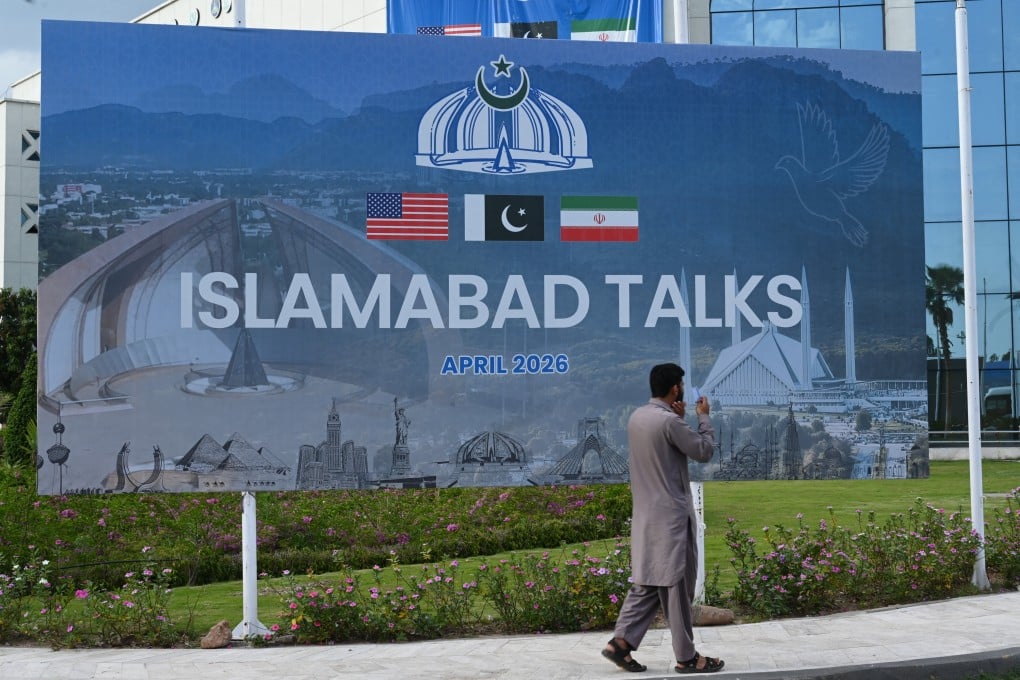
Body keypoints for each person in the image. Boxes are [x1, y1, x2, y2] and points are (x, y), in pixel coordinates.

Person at [602, 363, 724, 674]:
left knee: (647, 583)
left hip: (646, 516)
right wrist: (703, 417)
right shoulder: (670, 423)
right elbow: (703, 451)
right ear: (675, 389)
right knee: (676, 588)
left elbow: (665, 446)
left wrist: (679, 420)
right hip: (671, 518)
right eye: (681, 384)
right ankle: (687, 657)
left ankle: (621, 644)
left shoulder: (638, 417)